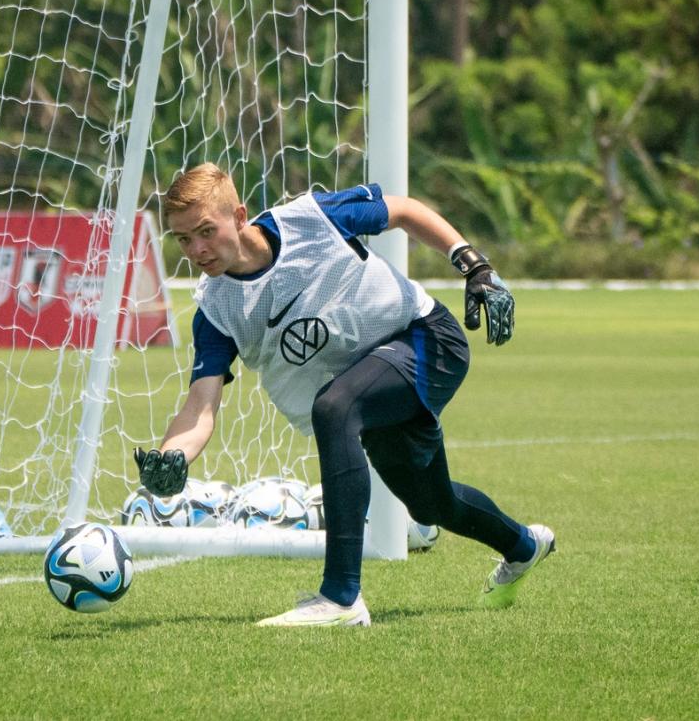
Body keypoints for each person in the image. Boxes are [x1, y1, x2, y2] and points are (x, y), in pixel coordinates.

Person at [133, 163, 554, 627]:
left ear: (239, 215)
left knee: (333, 407)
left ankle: (340, 598)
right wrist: (173, 457)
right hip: (371, 381)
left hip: (426, 339)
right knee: (433, 506)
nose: (197, 250)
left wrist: (475, 266)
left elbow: (404, 211)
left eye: (206, 231)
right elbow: (200, 405)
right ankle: (523, 546)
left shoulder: (309, 218)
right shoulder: (214, 310)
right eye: (183, 239)